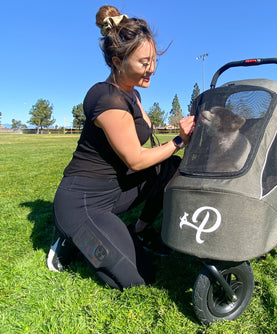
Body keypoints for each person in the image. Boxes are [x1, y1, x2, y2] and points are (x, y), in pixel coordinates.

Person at [46, 5, 195, 290]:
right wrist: (178, 141)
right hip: (82, 201)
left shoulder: (133, 93)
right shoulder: (105, 97)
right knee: (138, 278)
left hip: (115, 190)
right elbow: (137, 160)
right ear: (117, 61)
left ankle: (139, 230)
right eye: (143, 62)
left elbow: (145, 146)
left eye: (153, 60)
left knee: (171, 168)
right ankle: (73, 238)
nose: (151, 69)